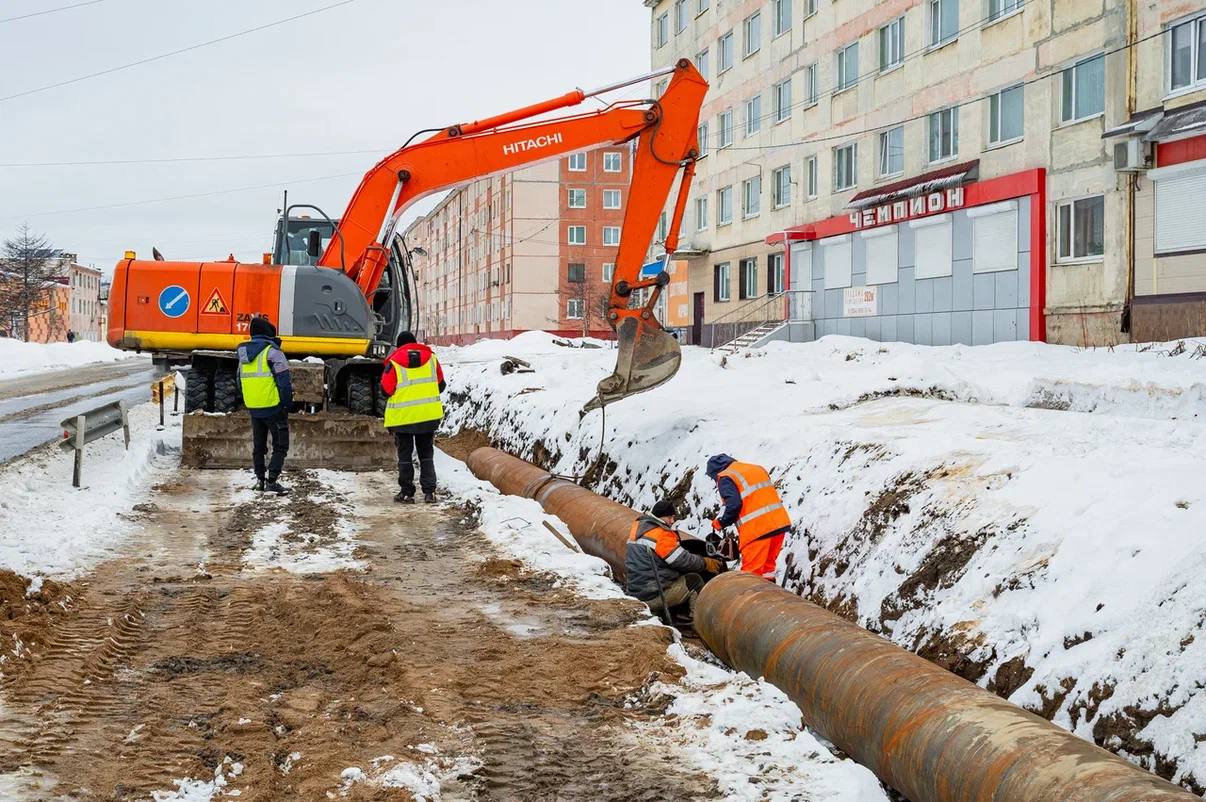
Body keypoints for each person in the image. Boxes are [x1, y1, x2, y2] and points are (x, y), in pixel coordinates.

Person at [624, 499, 723, 619]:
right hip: (653, 595)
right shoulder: (661, 534)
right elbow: (682, 560)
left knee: (676, 576)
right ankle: (695, 623)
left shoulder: (639, 529)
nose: (672, 521)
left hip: (636, 591)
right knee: (694, 581)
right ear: (660, 517)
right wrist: (705, 562)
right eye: (669, 517)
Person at [380, 331, 445, 504]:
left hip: (403, 419)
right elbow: (441, 385)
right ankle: (429, 493)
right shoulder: (431, 360)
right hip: (427, 417)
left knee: (405, 457)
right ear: (414, 343)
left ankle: (407, 493)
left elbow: (385, 390)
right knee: (426, 455)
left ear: (399, 345)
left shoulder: (393, 363)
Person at [706, 454, 791, 580]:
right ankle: (770, 596)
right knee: (767, 569)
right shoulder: (756, 468)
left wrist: (721, 522)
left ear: (715, 473)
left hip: (757, 530)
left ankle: (754, 599)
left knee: (750, 576)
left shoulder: (725, 477)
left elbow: (734, 505)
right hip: (778, 524)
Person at [236, 316, 292, 494]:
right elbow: (284, 382)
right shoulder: (273, 352)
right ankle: (272, 480)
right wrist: (286, 403)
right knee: (281, 445)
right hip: (273, 406)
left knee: (259, 446)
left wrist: (250, 400)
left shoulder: (243, 354)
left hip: (254, 406)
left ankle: (260, 480)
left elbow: (238, 380)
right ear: (269, 333)